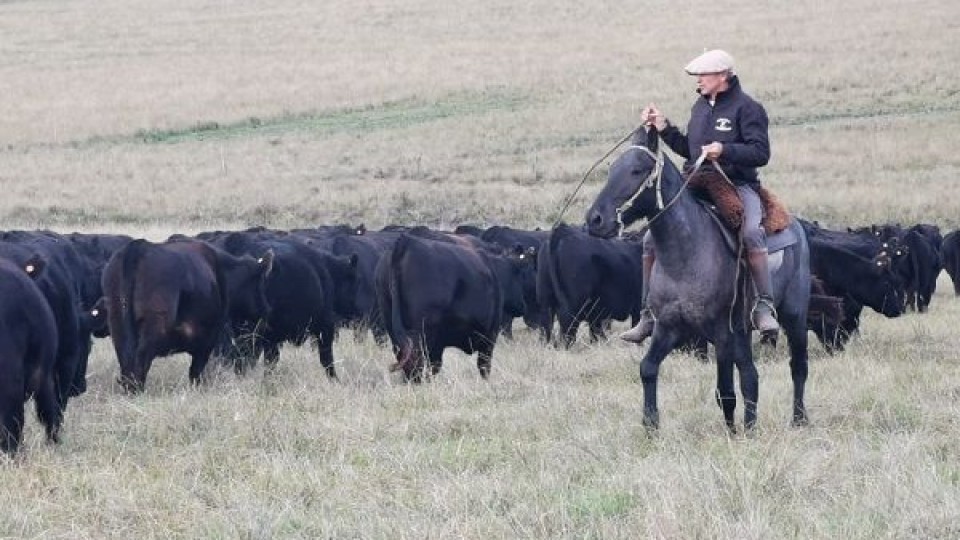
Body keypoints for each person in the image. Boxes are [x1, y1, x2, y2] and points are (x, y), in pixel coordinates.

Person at [620, 49, 778, 343]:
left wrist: (726, 149)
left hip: (737, 186)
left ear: (723, 77)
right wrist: (664, 128)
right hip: (696, 182)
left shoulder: (749, 108)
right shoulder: (700, 107)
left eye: (703, 76)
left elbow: (761, 153)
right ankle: (648, 315)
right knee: (650, 239)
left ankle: (763, 306)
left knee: (752, 233)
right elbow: (690, 150)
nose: (699, 81)